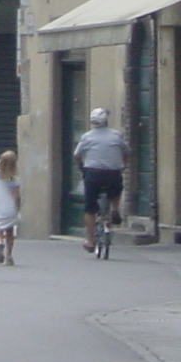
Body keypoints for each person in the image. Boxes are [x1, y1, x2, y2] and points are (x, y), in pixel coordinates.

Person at [73, 107, 128, 255]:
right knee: (116, 189)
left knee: (90, 208)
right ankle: (115, 209)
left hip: (93, 173)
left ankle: (90, 241)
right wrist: (122, 166)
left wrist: (81, 167)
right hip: (113, 173)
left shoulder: (87, 137)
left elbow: (77, 155)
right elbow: (126, 152)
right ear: (106, 121)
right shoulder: (117, 135)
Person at [0, 151, 20, 267]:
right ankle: (9, 256)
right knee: (10, 232)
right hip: (10, 208)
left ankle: (0, 243)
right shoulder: (15, 179)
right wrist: (17, 207)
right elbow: (16, 196)